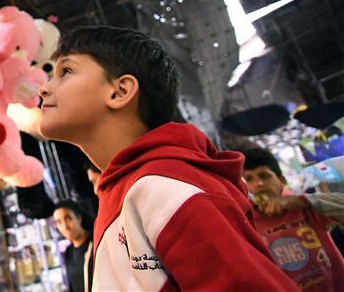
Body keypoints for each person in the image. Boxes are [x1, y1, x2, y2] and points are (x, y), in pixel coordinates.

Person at [37, 25, 297, 291]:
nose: (44, 89)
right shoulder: (123, 191)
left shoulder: (165, 187)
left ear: (120, 91)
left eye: (66, 71)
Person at [242, 147, 344, 290]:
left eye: (264, 176)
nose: (258, 184)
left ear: (281, 180)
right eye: (249, 179)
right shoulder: (247, 222)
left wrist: (301, 201)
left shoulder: (303, 206)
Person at [53, 200, 93, 292]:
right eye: (59, 222)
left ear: (78, 218)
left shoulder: (96, 241)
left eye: (68, 218)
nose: (65, 226)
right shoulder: (68, 252)